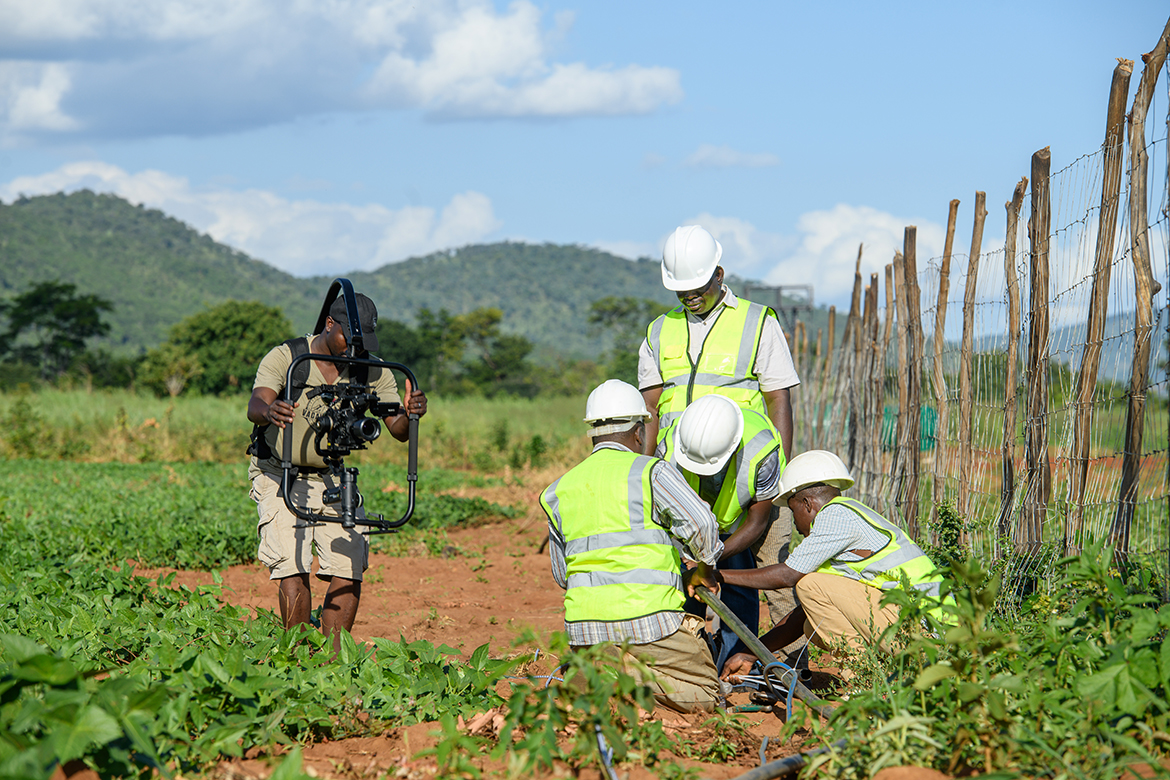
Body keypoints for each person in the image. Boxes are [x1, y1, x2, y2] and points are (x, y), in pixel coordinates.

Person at [637, 224, 801, 624]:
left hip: (746, 467)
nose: (690, 297)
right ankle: (698, 661)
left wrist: (774, 472)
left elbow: (779, 396)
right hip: (682, 473)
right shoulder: (660, 331)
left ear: (719, 274)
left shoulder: (757, 322)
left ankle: (788, 667)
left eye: (698, 287)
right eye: (681, 290)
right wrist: (642, 474)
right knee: (684, 573)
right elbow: (651, 409)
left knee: (772, 563)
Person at [246, 293, 427, 652]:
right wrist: (271, 411)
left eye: (363, 344)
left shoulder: (370, 367)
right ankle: (296, 656)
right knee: (292, 566)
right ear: (329, 324)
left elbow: (397, 428)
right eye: (349, 340)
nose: (353, 351)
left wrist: (412, 413)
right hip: (278, 471)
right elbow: (256, 403)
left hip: (330, 473)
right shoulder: (288, 356)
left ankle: (331, 665)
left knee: (348, 566)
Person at [539, 379, 725, 713]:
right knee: (708, 695)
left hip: (586, 631)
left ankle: (600, 679)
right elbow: (703, 525)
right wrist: (704, 570)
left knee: (587, 691)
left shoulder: (558, 490)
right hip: (653, 624)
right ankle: (629, 678)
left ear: (593, 434)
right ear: (638, 432)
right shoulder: (651, 472)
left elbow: (563, 575)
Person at [717, 450, 948, 682]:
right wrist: (749, 654)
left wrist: (718, 576)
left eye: (792, 509)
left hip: (928, 634)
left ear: (807, 504)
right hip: (927, 634)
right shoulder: (846, 519)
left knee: (808, 585)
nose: (795, 522)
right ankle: (887, 677)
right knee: (811, 625)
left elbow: (788, 575)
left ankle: (865, 682)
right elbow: (800, 617)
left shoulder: (835, 515)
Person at [660, 394, 783, 671]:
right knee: (686, 585)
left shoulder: (762, 450)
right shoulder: (669, 446)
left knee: (739, 581)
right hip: (687, 524)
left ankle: (736, 662)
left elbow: (756, 522)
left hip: (741, 520)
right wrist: (692, 562)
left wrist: (710, 560)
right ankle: (690, 658)